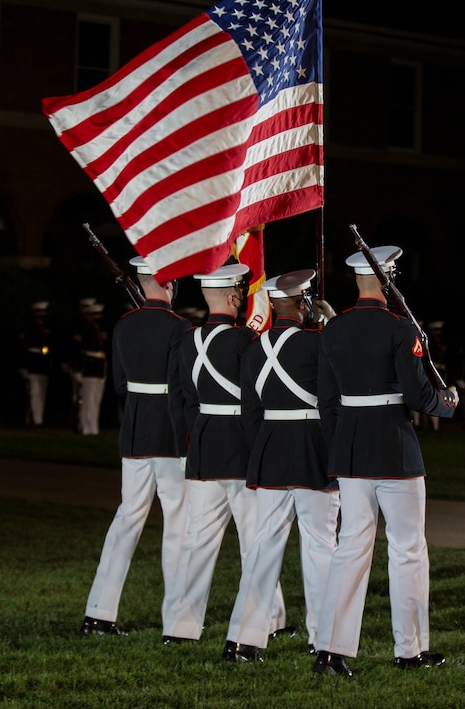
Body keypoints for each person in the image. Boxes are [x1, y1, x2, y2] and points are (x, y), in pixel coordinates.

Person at [311, 245, 459, 677]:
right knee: (408, 549)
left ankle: (330, 650)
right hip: (394, 447)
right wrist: (447, 403)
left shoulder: (333, 330)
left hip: (352, 450)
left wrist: (341, 445)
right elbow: (416, 396)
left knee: (351, 547)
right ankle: (408, 650)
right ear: (388, 279)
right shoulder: (400, 327)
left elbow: (327, 400)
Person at [162, 263, 289, 644]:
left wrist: (188, 445)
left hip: (203, 445)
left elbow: (180, 400)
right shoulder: (244, 342)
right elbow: (256, 399)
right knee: (256, 539)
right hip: (241, 446)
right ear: (235, 298)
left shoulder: (187, 340)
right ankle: (265, 620)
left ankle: (180, 627)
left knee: (197, 541)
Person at [222, 269, 340, 663]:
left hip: (270, 450)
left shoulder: (254, 348)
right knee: (320, 547)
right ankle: (324, 641)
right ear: (304, 304)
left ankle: (242, 639)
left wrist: (266, 446)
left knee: (262, 548)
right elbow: (332, 400)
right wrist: (332, 324)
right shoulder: (318, 344)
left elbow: (249, 412)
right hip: (312, 450)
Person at [80, 256, 191, 637]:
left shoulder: (123, 326)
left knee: (127, 520)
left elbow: (120, 386)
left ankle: (99, 611)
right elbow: (182, 389)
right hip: (169, 436)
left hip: (135, 431)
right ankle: (176, 619)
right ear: (169, 285)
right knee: (178, 523)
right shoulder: (180, 327)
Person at [73, 302, 109, 436]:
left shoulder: (97, 329)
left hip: (99, 366)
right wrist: (78, 369)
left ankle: (93, 426)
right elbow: (80, 350)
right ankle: (86, 426)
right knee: (88, 399)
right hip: (89, 367)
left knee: (95, 399)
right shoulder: (85, 330)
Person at [17, 301, 54, 427]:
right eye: (39, 312)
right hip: (31, 363)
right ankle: (33, 419)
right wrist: (23, 366)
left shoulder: (47, 326)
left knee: (41, 392)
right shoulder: (28, 327)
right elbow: (23, 347)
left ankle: (39, 418)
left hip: (42, 364)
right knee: (33, 392)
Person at [421, 321, 448, 432]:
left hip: (440, 371)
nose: (438, 333)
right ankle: (429, 424)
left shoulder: (440, 343)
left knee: (439, 397)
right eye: (436, 330)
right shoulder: (429, 342)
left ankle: (436, 426)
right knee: (431, 397)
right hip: (431, 371)